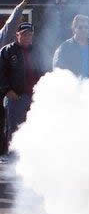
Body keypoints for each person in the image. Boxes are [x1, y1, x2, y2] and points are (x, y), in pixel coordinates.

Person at [0, 23, 46, 152]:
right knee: (14, 130)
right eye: (24, 34)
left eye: (30, 34)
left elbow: (45, 70)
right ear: (17, 35)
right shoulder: (7, 51)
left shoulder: (38, 51)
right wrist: (7, 90)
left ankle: (31, 159)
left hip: (35, 98)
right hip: (16, 97)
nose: (27, 37)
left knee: (35, 128)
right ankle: (13, 161)